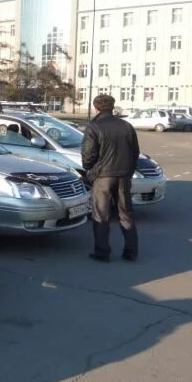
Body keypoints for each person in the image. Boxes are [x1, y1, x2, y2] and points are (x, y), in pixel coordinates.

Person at [81, 94, 140, 262]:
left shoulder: (94, 126)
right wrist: (128, 171)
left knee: (101, 214)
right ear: (112, 107)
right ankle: (131, 251)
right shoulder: (126, 126)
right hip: (123, 175)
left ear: (96, 107)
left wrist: (89, 169)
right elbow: (135, 152)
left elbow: (88, 155)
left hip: (102, 176)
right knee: (125, 212)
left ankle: (102, 251)